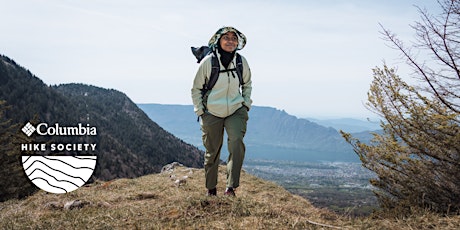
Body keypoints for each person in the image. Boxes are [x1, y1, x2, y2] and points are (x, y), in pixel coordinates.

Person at [191, 26, 252, 196]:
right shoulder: (208, 62)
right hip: (211, 112)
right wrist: (200, 111)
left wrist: (246, 104)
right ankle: (211, 189)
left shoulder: (241, 62)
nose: (231, 41)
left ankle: (230, 188)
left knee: (237, 145)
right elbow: (196, 89)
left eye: (234, 38)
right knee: (212, 152)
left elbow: (247, 84)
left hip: (236, 110)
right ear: (218, 40)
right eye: (227, 38)